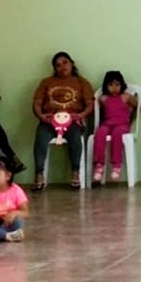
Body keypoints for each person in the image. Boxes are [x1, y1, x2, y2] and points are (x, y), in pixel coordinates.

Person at [30, 52, 94, 190]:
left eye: (65, 62)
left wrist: (81, 115)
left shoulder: (82, 82)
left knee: (75, 136)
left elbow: (90, 104)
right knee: (41, 136)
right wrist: (41, 116)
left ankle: (75, 172)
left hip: (72, 121)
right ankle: (39, 174)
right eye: (58, 65)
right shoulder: (46, 82)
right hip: (50, 121)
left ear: (72, 63)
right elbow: (37, 103)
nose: (62, 67)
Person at [91, 71, 137, 186]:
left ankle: (116, 165)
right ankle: (99, 165)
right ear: (106, 86)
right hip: (108, 123)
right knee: (100, 133)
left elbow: (137, 106)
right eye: (111, 85)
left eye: (117, 84)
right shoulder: (103, 98)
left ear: (122, 85)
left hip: (122, 124)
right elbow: (102, 113)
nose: (114, 88)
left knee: (117, 134)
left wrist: (130, 120)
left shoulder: (126, 96)